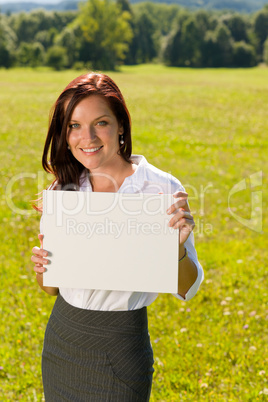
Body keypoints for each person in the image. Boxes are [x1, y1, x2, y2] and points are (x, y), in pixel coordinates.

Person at [31, 72, 204, 401]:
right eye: (75, 126)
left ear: (121, 126)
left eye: (101, 123)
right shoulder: (64, 189)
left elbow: (188, 287)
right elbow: (51, 288)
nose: (88, 137)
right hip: (63, 340)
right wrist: (43, 269)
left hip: (122, 346)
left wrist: (176, 250)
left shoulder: (161, 189)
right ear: (64, 134)